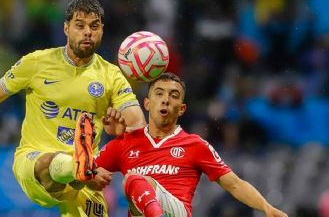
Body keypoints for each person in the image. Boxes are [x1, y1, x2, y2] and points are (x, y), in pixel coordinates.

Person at [0, 0, 146, 217]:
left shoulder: (111, 76)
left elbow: (137, 122)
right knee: (50, 165)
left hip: (86, 176)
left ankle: (80, 169)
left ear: (102, 30)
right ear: (66, 28)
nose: (87, 32)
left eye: (94, 26)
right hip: (34, 160)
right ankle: (77, 168)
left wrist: (122, 130)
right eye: (79, 26)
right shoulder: (36, 62)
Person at [92, 73, 288, 217]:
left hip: (177, 212)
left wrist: (266, 207)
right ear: (147, 103)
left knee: (134, 180)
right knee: (132, 183)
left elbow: (235, 184)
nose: (166, 100)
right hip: (140, 211)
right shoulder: (124, 143)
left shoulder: (195, 144)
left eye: (174, 95)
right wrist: (92, 169)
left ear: (182, 109)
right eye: (159, 94)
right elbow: (82, 174)